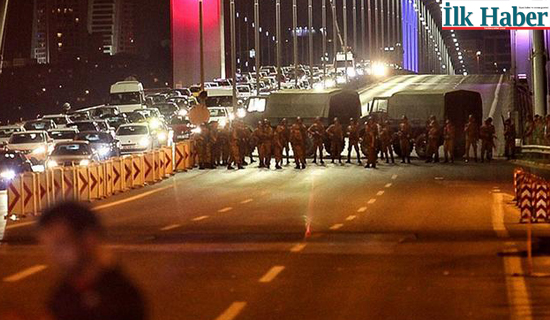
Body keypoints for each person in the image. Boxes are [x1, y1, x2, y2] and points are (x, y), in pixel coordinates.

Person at [38, 202, 146, 320]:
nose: (53, 255)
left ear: (89, 239)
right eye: (49, 247)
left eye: (61, 244)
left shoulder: (120, 297)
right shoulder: (62, 294)